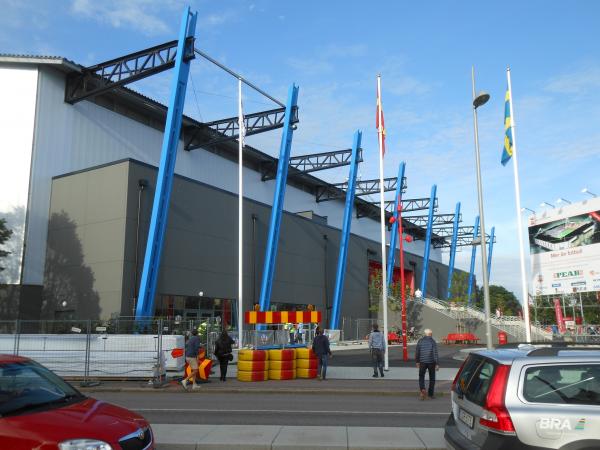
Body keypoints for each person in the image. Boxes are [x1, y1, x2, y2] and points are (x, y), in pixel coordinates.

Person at [415, 328, 439, 400]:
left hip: (422, 362)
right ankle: (430, 394)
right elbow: (435, 353)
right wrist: (437, 363)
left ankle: (422, 390)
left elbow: (417, 352)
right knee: (432, 378)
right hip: (431, 362)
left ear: (425, 334)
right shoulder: (433, 342)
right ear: (430, 334)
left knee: (421, 376)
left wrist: (417, 361)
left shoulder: (420, 341)